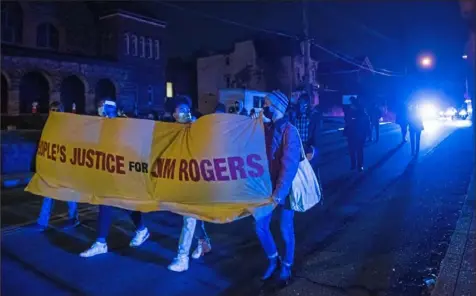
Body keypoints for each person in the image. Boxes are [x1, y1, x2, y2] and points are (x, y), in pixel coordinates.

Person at [80, 100, 150, 257]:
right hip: (107, 170)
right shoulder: (100, 125)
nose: (98, 110)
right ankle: (101, 242)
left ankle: (141, 230)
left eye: (101, 107)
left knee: (126, 203)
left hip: (122, 171)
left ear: (109, 110)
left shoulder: (124, 125)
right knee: (105, 203)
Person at [252, 90, 301, 283]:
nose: (264, 107)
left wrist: (279, 193)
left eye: (267, 104)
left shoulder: (290, 131)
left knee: (285, 229)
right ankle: (273, 260)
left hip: (284, 191)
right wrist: (252, 123)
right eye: (264, 104)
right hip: (266, 187)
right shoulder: (266, 128)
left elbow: (289, 165)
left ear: (278, 107)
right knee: (260, 226)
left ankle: (287, 265)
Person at [168, 97, 211, 272]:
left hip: (196, 178)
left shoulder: (198, 127)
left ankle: (182, 257)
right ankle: (203, 242)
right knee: (192, 216)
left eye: (186, 108)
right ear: (173, 115)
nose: (184, 112)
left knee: (189, 217)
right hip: (180, 179)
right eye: (180, 110)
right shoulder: (170, 131)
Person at [30, 101, 80, 231]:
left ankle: (73, 218)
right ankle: (42, 222)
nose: (55, 112)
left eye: (58, 110)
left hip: (66, 165)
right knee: (48, 193)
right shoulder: (48, 125)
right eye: (53, 110)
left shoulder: (69, 126)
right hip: (52, 165)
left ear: (63, 112)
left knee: (69, 194)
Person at [292, 93, 322, 170]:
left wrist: (313, 148)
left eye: (304, 104)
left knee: (309, 170)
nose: (302, 106)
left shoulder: (313, 116)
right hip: (296, 146)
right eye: (301, 103)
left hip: (308, 146)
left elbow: (316, 134)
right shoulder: (294, 115)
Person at [344, 97, 370, 171]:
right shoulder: (350, 111)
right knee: (352, 150)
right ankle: (354, 164)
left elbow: (366, 122)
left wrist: (367, 131)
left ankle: (359, 165)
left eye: (351, 103)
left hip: (359, 133)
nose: (351, 105)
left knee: (359, 150)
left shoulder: (361, 112)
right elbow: (347, 121)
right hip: (352, 133)